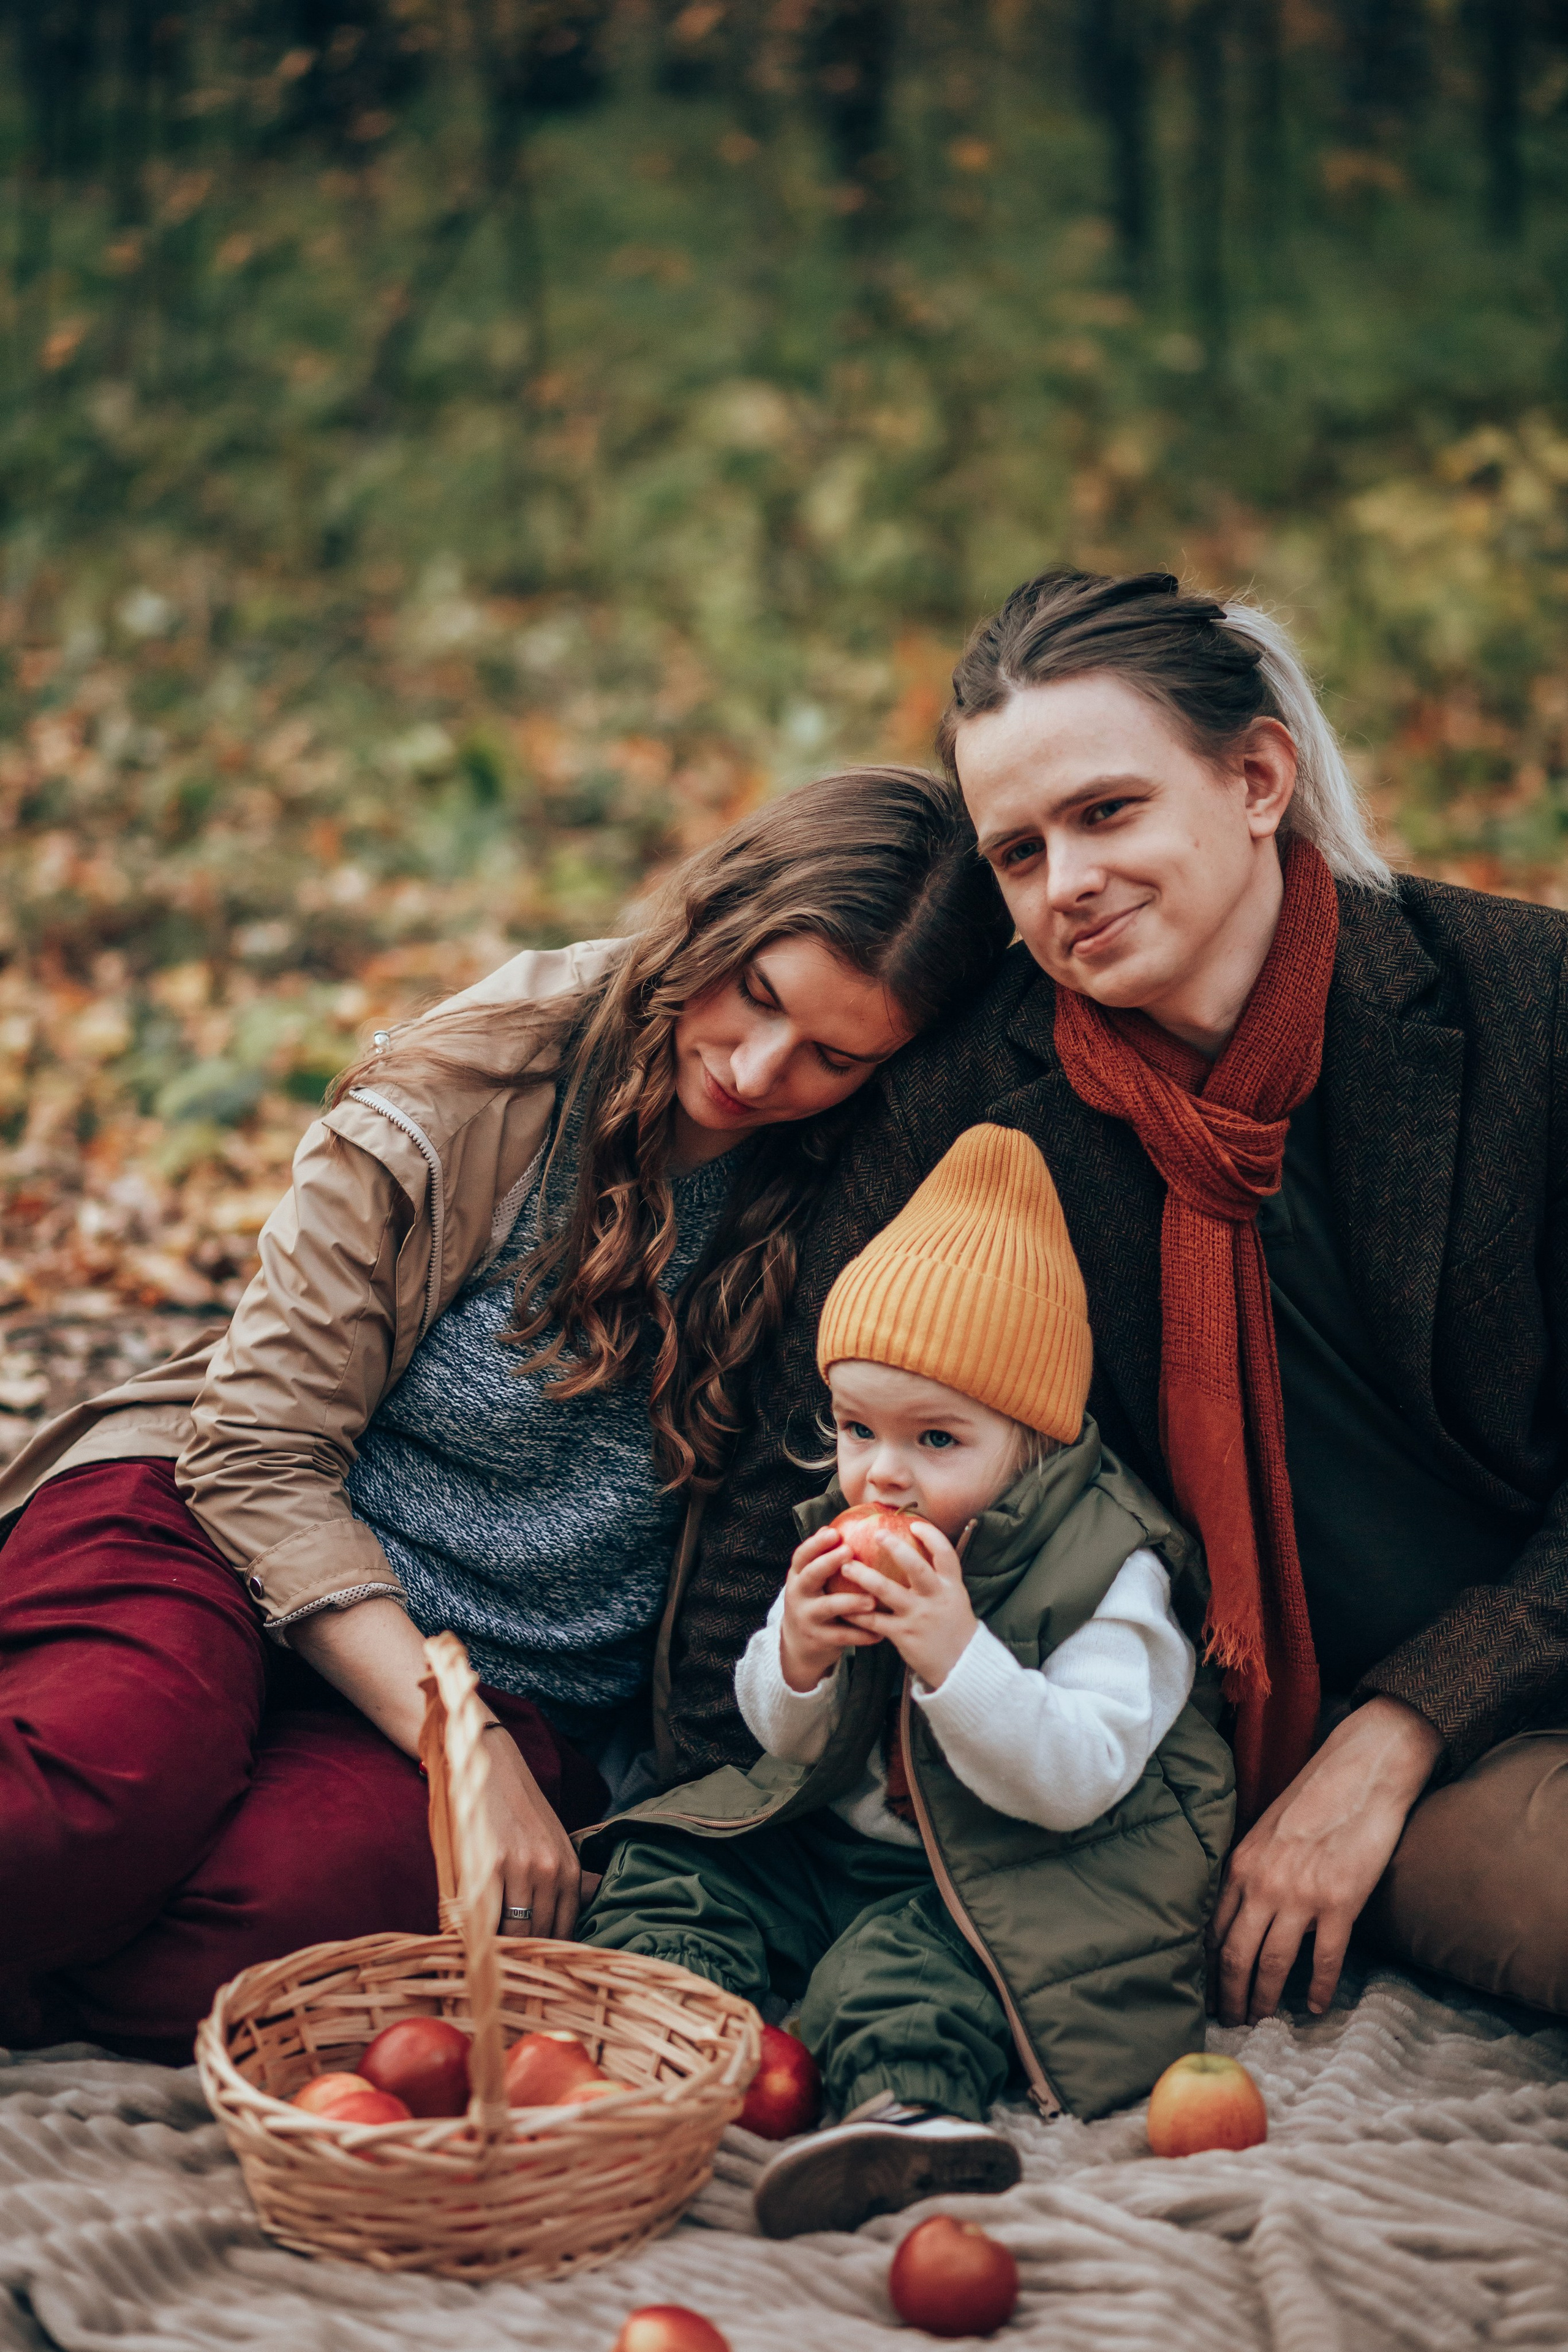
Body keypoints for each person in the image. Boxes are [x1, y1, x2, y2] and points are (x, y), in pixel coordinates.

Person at [666, 568, 1568, 2032]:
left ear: (1257, 778)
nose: (1064, 883)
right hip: (1271, 1734)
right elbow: (810, 1430)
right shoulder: (977, 1098)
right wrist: (721, 1784)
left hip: (1487, 1663)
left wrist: (1399, 1733)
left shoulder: (1520, 1005)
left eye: (1106, 812)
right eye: (1015, 853)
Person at [0, 766, 1011, 2062]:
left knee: (308, 1908)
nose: (758, 1069)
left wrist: (489, 1739)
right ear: (710, 918)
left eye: (831, 1055)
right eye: (753, 995)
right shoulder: (478, 1079)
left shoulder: (849, 1190)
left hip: (516, 1669)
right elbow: (254, 1453)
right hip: (220, 1526)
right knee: (98, 1798)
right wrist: (452, 1737)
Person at [578, 1123, 1232, 2236]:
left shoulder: (1113, 1570)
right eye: (856, 1429)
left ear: (1036, 1437)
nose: (883, 1473)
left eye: (937, 1438)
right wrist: (800, 1651)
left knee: (906, 1975)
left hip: (1002, 1870)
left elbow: (1076, 1776)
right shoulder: (859, 1522)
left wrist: (952, 1652)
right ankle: (656, 2043)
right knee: (674, 1865)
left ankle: (908, 2120)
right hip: (835, 1832)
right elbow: (779, 1741)